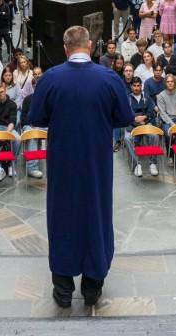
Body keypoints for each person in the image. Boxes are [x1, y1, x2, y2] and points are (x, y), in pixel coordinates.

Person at [27, 25, 133, 308]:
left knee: (62, 215)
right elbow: (125, 116)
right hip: (97, 162)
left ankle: (63, 290)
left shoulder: (51, 78)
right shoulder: (108, 78)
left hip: (62, 162)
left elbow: (36, 117)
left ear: (65, 48)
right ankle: (92, 287)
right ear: (91, 46)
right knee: (96, 214)